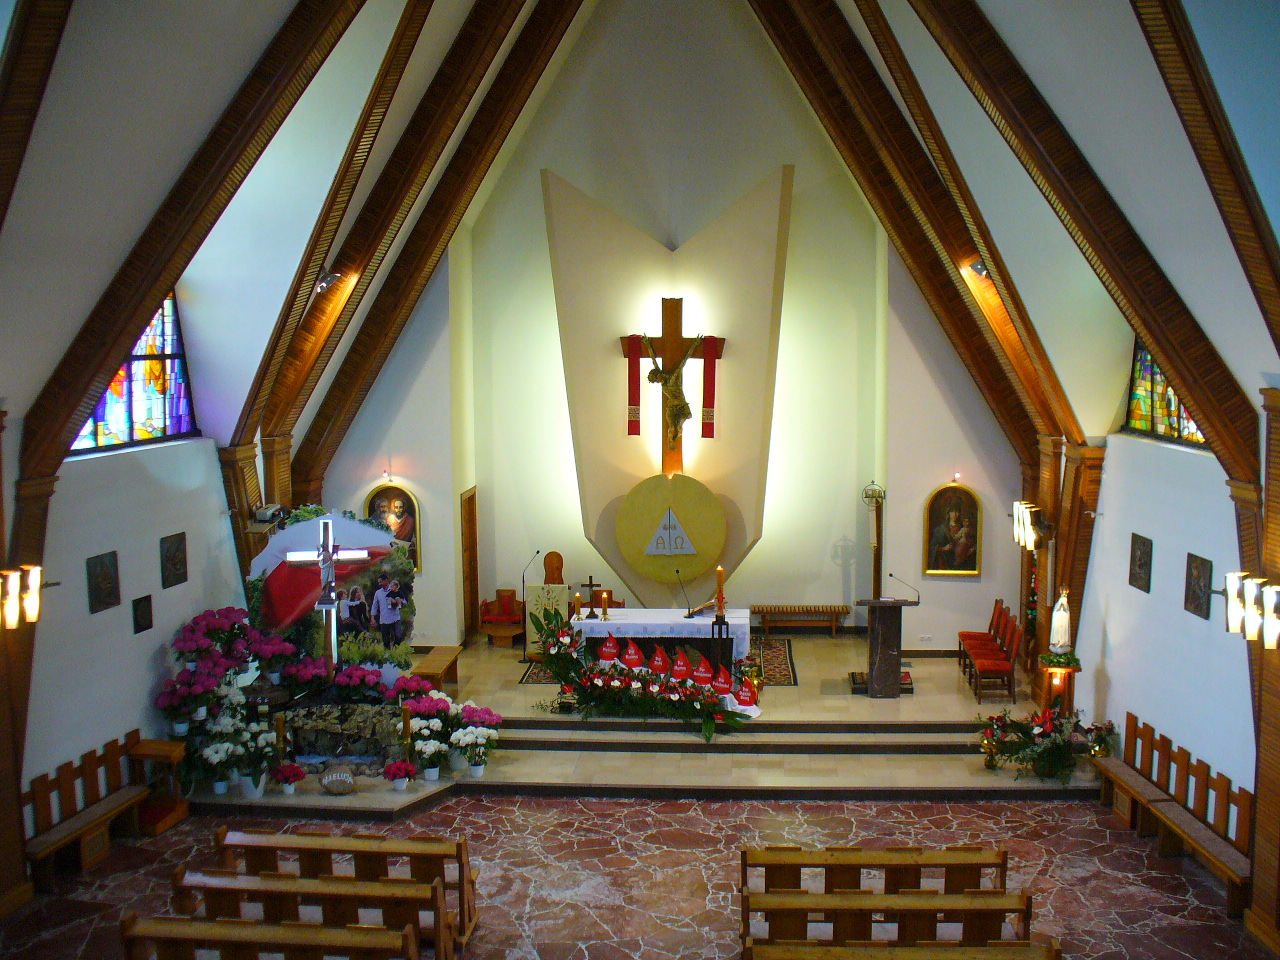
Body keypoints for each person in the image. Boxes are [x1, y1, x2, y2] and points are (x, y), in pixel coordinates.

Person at [370, 574, 402, 645]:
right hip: (384, 619)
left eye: (381, 582)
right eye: (379, 582)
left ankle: (395, 648)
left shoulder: (394, 590)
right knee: (386, 640)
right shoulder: (378, 593)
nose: (380, 584)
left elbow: (401, 600)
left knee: (398, 636)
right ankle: (388, 650)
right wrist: (372, 618)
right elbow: (374, 606)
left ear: (386, 580)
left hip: (395, 617)